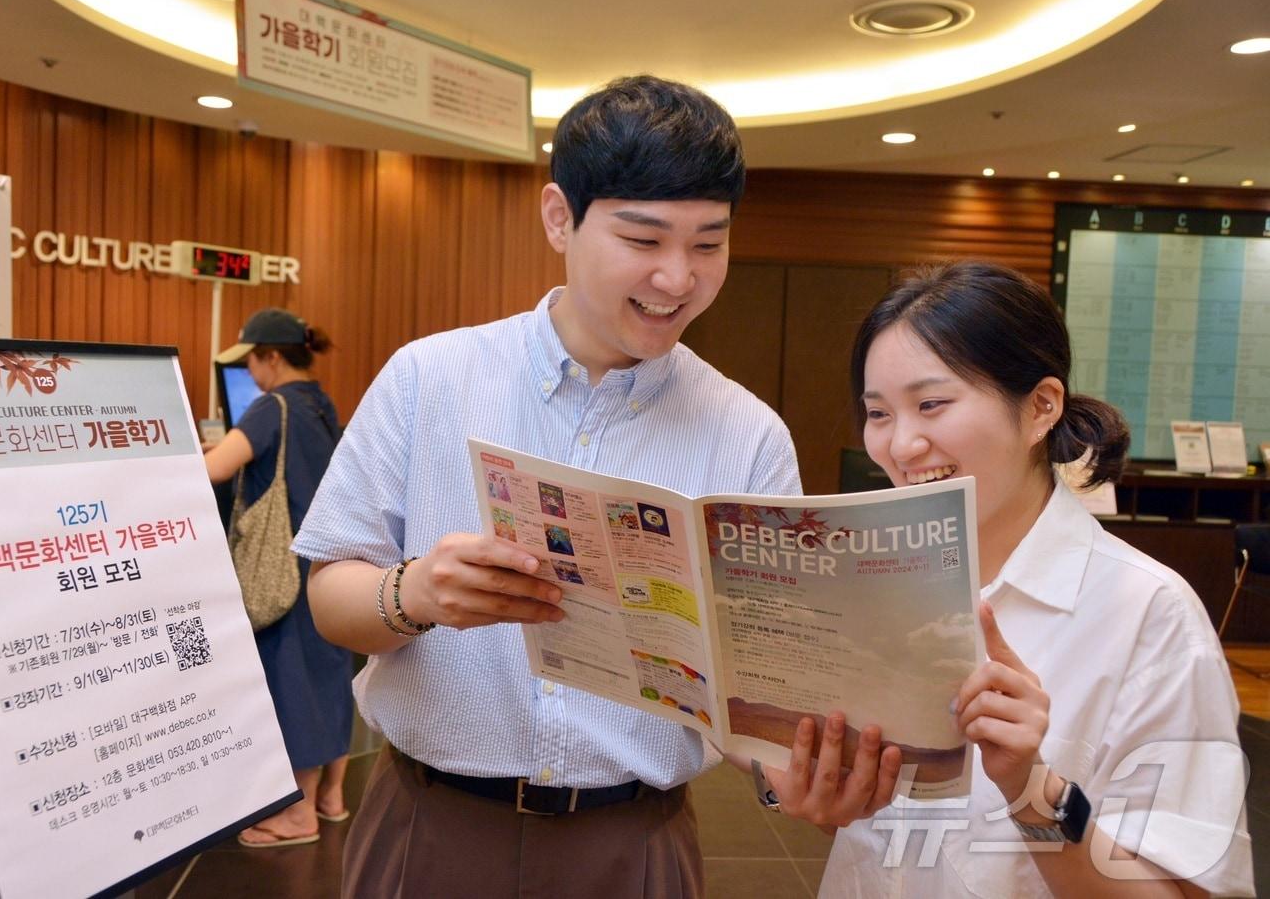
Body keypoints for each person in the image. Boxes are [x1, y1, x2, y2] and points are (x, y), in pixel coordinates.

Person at [294, 75, 897, 898]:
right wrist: (419, 592)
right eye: (643, 240)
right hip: (431, 827)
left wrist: (787, 776)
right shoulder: (429, 378)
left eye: (709, 243)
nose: (678, 278)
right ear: (558, 218)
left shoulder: (746, 434)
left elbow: (759, 690)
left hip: (633, 841)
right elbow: (332, 597)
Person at [818, 261, 1252, 896]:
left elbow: (1181, 892)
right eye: (878, 413)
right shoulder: (868, 581)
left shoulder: (1147, 613)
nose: (900, 444)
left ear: (1042, 406)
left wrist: (1030, 788)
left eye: (931, 403)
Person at [204, 308, 354, 848]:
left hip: (281, 568)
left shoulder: (273, 406)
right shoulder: (319, 401)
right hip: (326, 560)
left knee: (292, 681)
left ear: (270, 357)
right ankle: (333, 798)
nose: (250, 374)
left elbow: (215, 470)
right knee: (328, 673)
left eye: (251, 362)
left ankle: (298, 814)